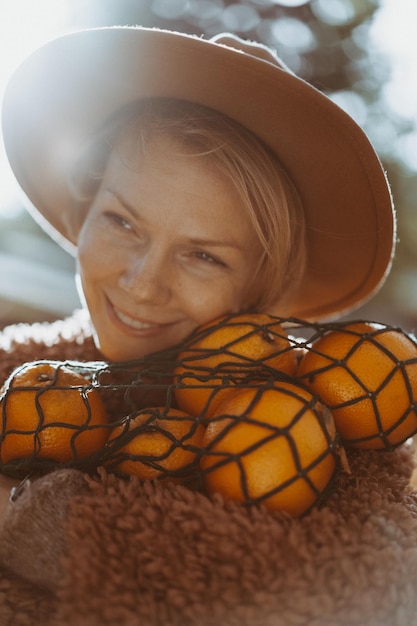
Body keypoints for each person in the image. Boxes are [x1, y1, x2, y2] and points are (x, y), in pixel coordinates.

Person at [0, 27, 412, 626]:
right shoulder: (17, 364)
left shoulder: (331, 427)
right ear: (85, 208)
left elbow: (345, 584)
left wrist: (27, 517)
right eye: (122, 221)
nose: (142, 283)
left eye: (204, 256)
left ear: (260, 292)